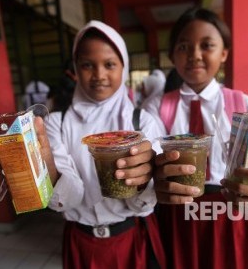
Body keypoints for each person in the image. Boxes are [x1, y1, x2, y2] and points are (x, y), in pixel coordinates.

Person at [144, 7, 248, 269]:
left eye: (207, 45)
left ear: (223, 53)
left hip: (230, 214)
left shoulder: (244, 105)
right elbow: (149, 167)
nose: (195, 55)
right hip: (178, 213)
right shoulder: (157, 108)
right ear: (172, 55)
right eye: (184, 47)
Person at [43, 20, 166, 269]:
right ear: (76, 69)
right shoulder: (57, 122)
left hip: (133, 238)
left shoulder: (142, 123)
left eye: (109, 64)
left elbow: (147, 200)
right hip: (81, 240)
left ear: (124, 67)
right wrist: (41, 168)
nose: (99, 75)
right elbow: (68, 198)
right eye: (87, 65)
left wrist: (142, 180)